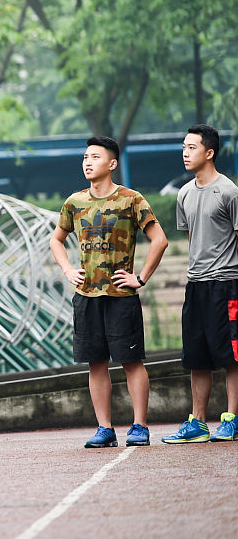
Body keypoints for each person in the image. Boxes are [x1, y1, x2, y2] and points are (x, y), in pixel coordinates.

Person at [49, 136, 168, 449]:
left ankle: (140, 426)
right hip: (86, 296)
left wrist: (140, 278)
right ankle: (104, 429)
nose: (88, 162)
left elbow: (160, 240)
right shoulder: (74, 202)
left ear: (112, 164)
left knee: (131, 361)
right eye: (86, 157)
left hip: (121, 297)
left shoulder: (131, 199)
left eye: (95, 157)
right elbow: (56, 240)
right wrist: (67, 269)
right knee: (96, 363)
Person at [161, 124, 238, 444]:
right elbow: (194, 240)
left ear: (209, 153)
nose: (184, 152)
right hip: (196, 286)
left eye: (191, 147)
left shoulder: (230, 192)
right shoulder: (184, 193)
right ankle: (198, 423)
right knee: (197, 357)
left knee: (232, 357)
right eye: (183, 147)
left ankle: (232, 419)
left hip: (227, 285)